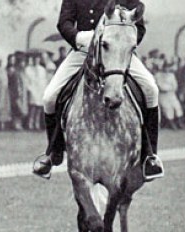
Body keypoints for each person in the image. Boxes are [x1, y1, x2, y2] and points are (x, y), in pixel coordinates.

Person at [33, 0, 163, 181]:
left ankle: (150, 155)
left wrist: (125, 39)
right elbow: (64, 23)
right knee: (49, 97)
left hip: (116, 52)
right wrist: (78, 38)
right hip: (83, 50)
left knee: (151, 90)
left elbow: (139, 26)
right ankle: (53, 152)